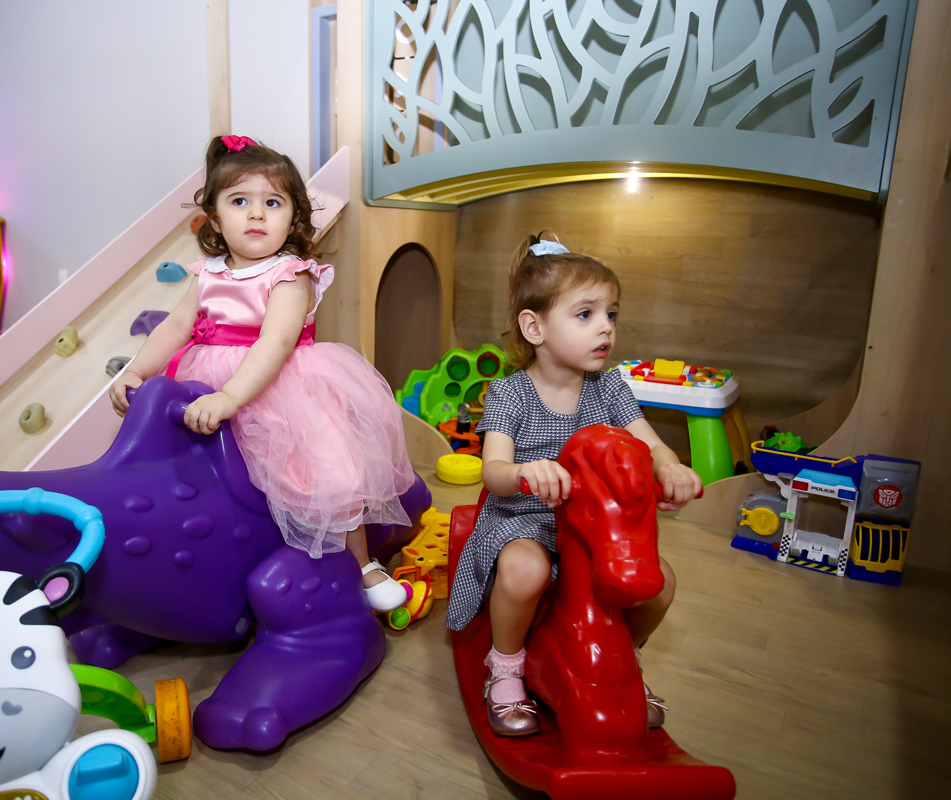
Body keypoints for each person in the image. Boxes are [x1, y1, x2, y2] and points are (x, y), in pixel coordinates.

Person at [110, 135, 414, 611]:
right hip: (205, 382)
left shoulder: (290, 273)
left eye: (272, 202)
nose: (256, 214)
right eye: (239, 202)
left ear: (293, 217)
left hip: (279, 387)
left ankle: (361, 564)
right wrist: (136, 372)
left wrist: (231, 397)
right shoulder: (208, 272)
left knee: (326, 472)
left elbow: (275, 342)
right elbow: (175, 326)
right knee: (203, 478)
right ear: (215, 218)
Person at [444, 234, 703, 737]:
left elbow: (652, 445)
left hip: (593, 528)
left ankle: (621, 659)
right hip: (525, 518)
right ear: (534, 327)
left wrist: (670, 469)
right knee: (526, 570)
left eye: (611, 314)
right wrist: (524, 471)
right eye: (585, 314)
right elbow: (493, 471)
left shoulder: (610, 389)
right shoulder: (511, 393)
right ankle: (506, 665)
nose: (605, 327)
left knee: (659, 584)